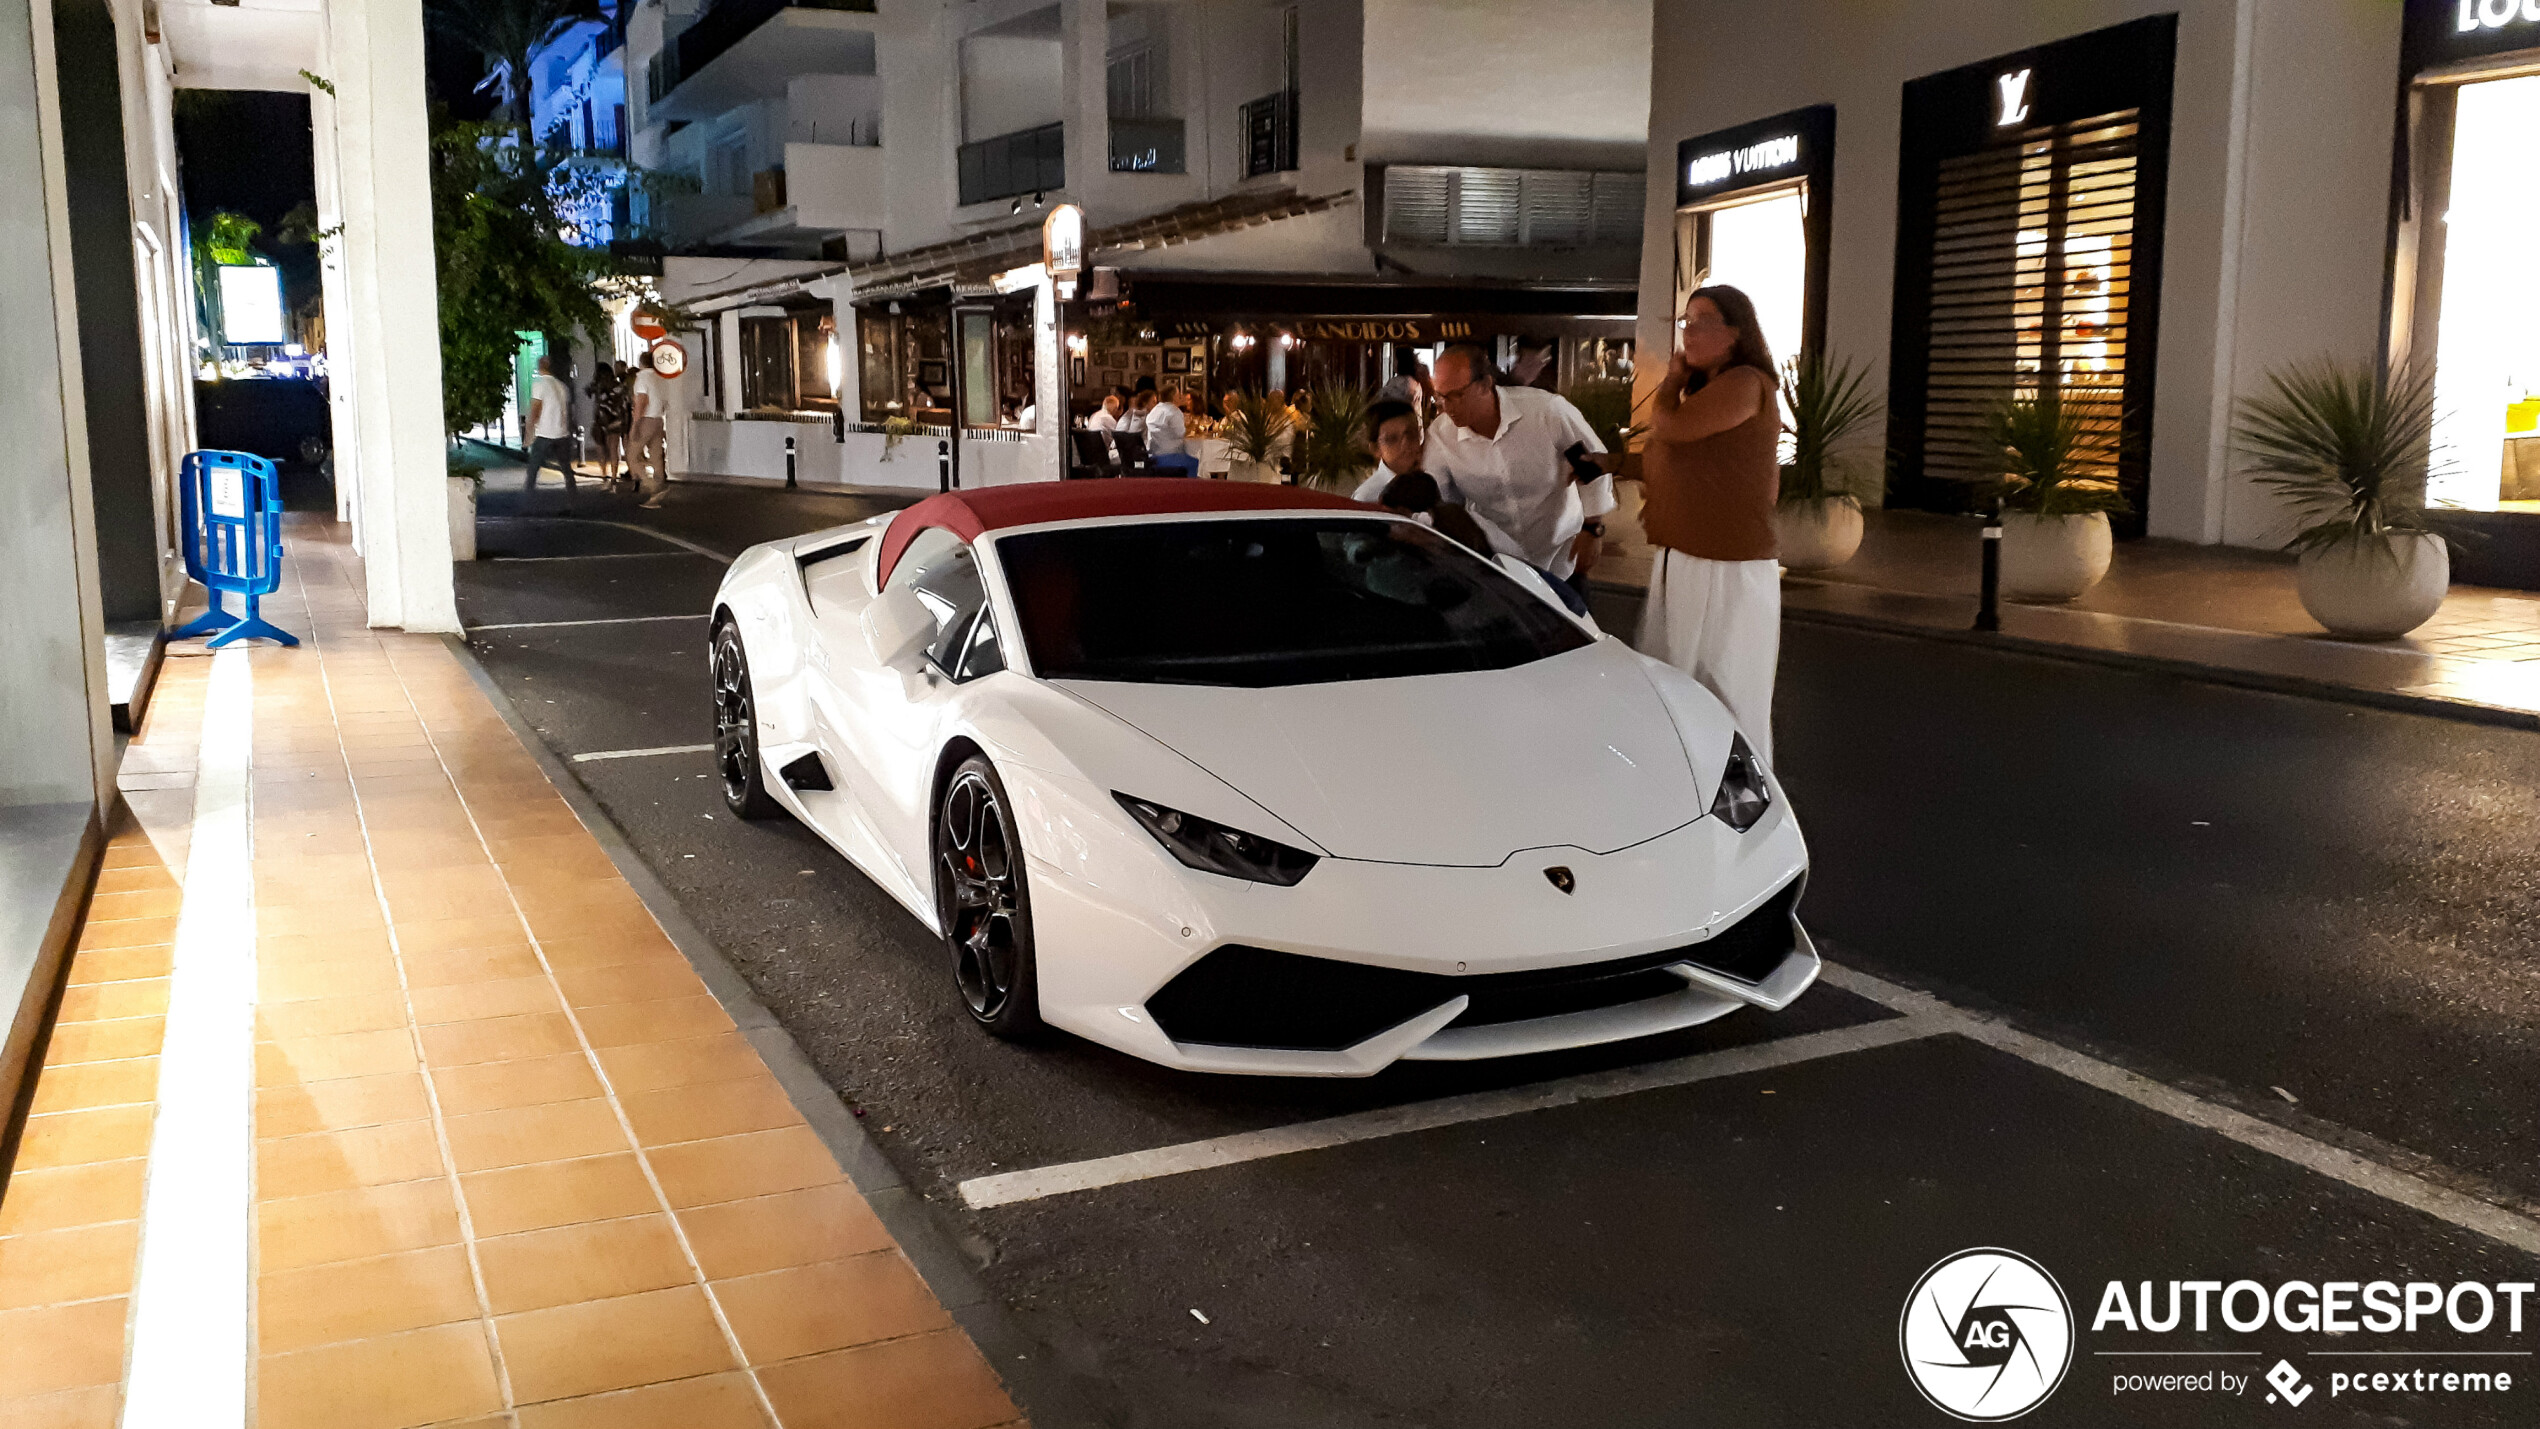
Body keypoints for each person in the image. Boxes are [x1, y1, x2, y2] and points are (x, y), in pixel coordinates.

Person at [1635, 284, 1784, 761]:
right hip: (1687, 554)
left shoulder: (1745, 382)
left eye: (1701, 322)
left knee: (1724, 686)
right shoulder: (1714, 389)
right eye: (1686, 322)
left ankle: (1740, 794)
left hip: (1724, 564)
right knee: (1674, 676)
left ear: (1735, 333)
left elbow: (1671, 428)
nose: (1688, 333)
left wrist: (1669, 382)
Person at [1422, 341, 1613, 591]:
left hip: (1561, 558)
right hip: (1497, 565)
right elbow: (1436, 496)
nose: (1447, 407)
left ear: (1485, 385)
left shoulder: (1546, 412)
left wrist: (1592, 528)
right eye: (1440, 396)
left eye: (1457, 395)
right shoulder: (1441, 436)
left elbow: (1593, 463)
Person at [525, 354, 578, 508]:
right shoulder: (562, 386)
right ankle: (572, 502)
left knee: (533, 469)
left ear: (539, 366)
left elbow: (535, 409)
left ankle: (528, 504)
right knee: (566, 469)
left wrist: (529, 432)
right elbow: (568, 411)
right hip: (562, 433)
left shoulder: (539, 384)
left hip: (544, 433)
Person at [628, 346, 675, 509]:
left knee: (632, 455)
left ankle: (651, 486)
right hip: (658, 420)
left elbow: (641, 401)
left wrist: (635, 424)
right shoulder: (660, 379)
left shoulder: (642, 379)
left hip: (646, 420)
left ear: (640, 363)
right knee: (656, 456)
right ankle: (660, 488)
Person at [589, 359, 631, 486]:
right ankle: (613, 476)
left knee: (600, 448)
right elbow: (624, 402)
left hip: (600, 420)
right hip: (615, 420)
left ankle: (603, 474)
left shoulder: (597, 386)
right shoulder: (618, 385)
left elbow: (589, 393)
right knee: (614, 448)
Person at [1145, 386, 1196, 475]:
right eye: (1178, 394)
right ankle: (1188, 487)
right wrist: (1192, 426)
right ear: (1173, 397)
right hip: (1171, 456)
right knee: (1195, 462)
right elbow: (1181, 433)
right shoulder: (1174, 411)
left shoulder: (1155, 410)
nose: (1180, 396)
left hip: (1153, 455)